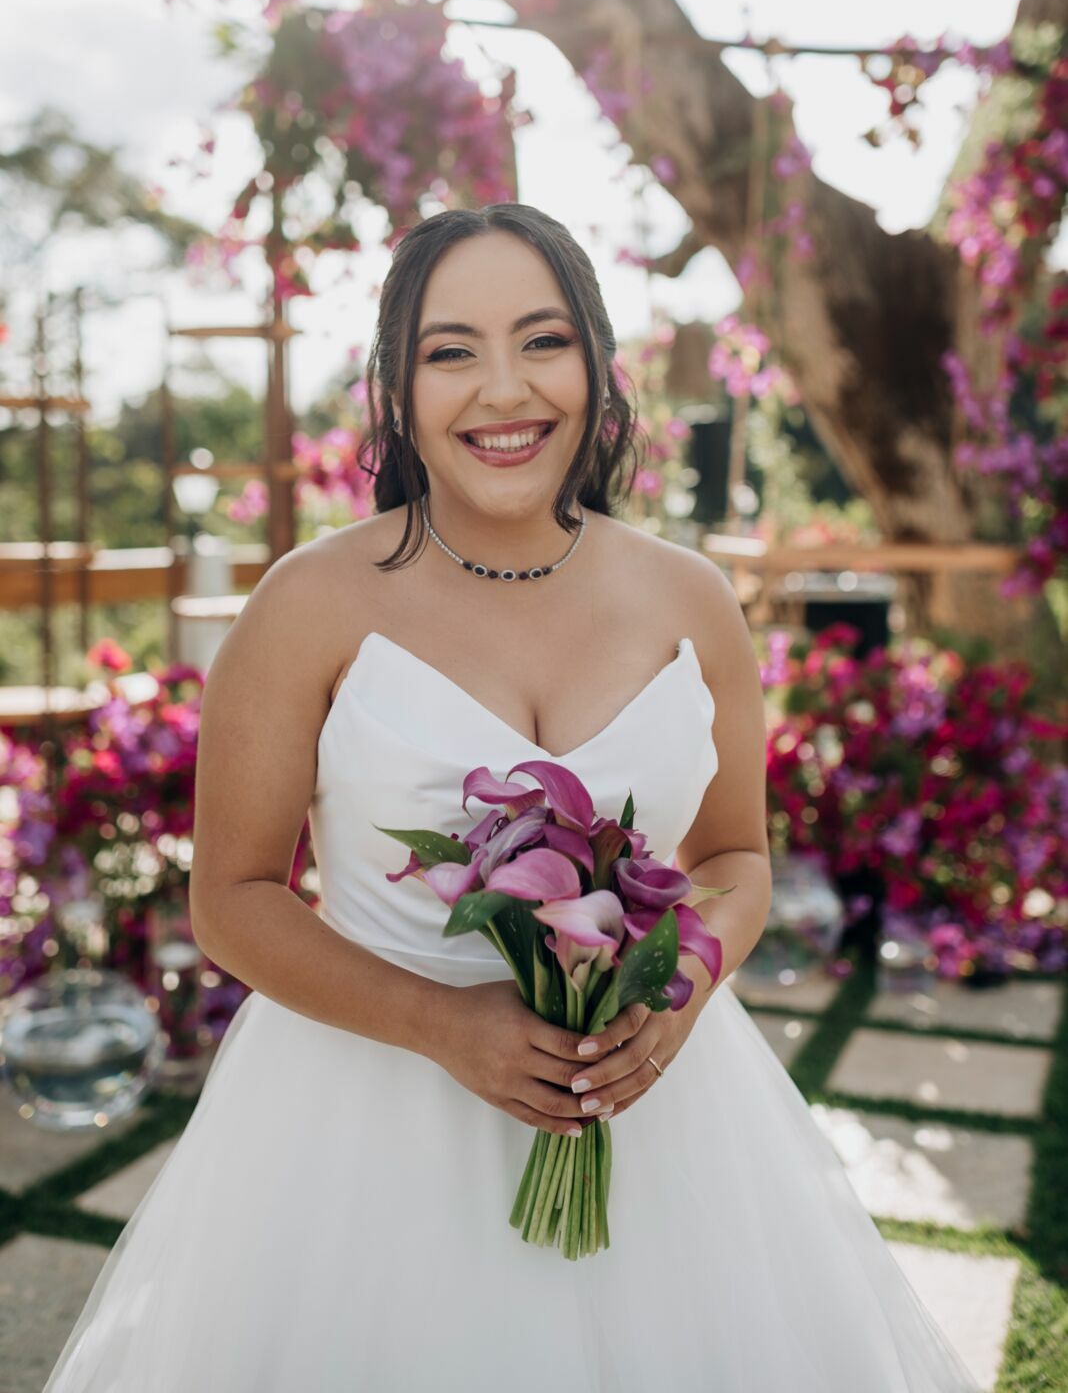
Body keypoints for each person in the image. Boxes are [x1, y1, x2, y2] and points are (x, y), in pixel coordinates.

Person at [44, 203, 981, 1391]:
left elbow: (739, 857)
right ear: (398, 381)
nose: (503, 390)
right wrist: (446, 1024)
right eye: (451, 350)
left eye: (542, 340)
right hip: (360, 1120)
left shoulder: (691, 599)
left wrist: (678, 983)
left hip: (659, 1111)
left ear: (595, 362)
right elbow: (231, 900)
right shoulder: (308, 602)